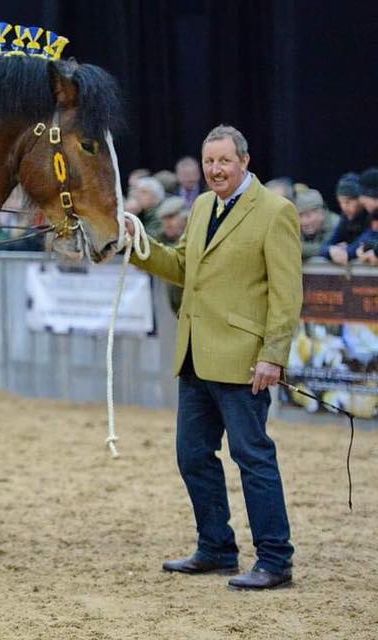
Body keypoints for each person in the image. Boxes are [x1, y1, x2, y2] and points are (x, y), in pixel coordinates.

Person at [124, 125, 302, 590]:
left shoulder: (276, 212)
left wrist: (274, 355)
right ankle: (217, 547)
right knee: (192, 455)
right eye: (208, 162)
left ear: (244, 160)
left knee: (252, 457)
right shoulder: (201, 206)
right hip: (195, 358)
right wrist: (137, 243)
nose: (215, 170)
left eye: (223, 161)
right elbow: (183, 267)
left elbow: (287, 294)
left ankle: (275, 559)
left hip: (245, 361)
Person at [321, 172, 368, 264]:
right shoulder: (345, 218)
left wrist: (347, 249)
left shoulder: (371, 216)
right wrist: (331, 250)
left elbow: (367, 239)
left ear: (360, 199)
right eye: (340, 202)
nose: (344, 207)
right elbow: (326, 244)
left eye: (348, 202)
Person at [153, 196, 188, 314]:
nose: (167, 224)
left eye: (171, 218)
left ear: (185, 217)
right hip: (175, 307)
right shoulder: (160, 238)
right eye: (164, 219)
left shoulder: (195, 238)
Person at [295, 188, 338, 260]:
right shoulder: (296, 225)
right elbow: (293, 246)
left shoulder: (336, 224)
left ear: (321, 213)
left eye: (308, 216)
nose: (303, 222)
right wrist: (324, 250)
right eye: (300, 216)